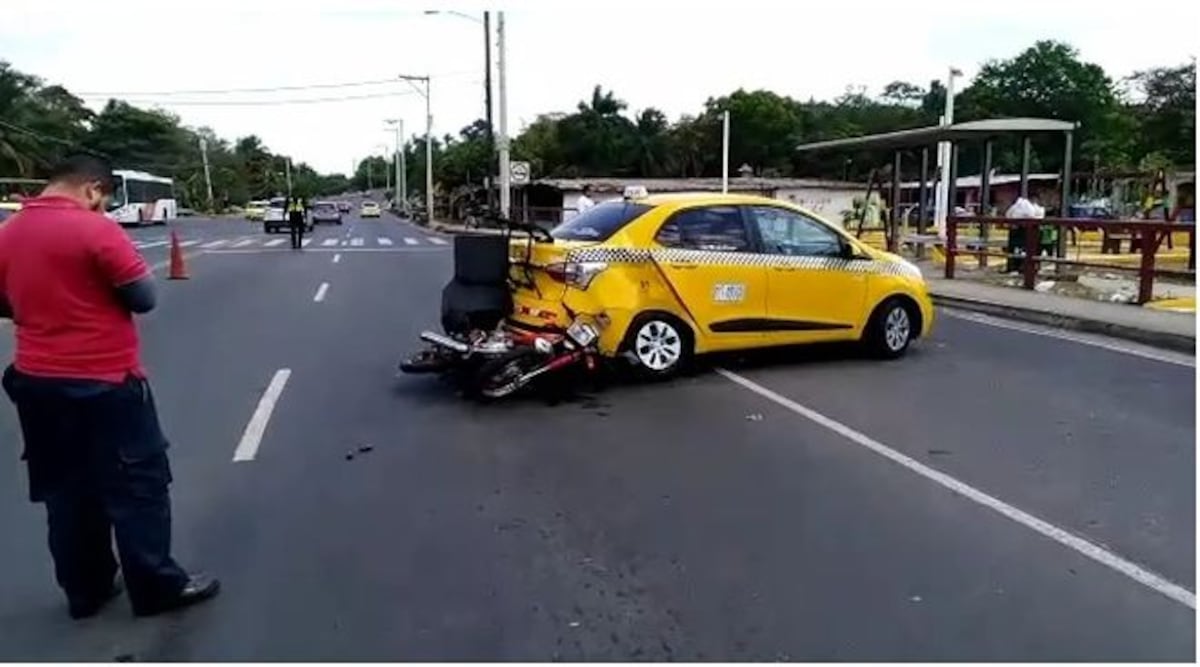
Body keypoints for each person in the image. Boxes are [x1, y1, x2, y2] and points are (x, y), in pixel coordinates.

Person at [0, 154, 219, 619]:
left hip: (36, 382)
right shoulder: (96, 229)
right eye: (101, 201)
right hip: (104, 381)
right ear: (93, 190)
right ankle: (155, 586)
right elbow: (144, 298)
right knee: (137, 485)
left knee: (66, 489)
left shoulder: (9, 232)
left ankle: (86, 590)